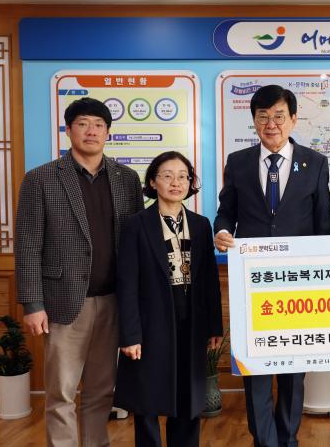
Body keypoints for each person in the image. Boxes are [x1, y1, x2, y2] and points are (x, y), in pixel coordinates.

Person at [14, 97, 143, 446]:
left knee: (102, 391)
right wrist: (32, 304)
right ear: (68, 130)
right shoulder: (41, 179)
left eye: (99, 125)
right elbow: (27, 244)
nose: (91, 131)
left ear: (108, 133)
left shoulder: (127, 179)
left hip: (113, 301)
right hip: (63, 302)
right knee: (61, 393)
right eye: (83, 124)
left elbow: (136, 242)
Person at [214, 84, 330, 447]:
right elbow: (226, 212)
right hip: (254, 283)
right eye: (263, 116)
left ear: (293, 119)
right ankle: (264, 441)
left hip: (299, 283)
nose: (271, 124)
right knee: (257, 365)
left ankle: (288, 438)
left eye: (279, 116)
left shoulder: (315, 163)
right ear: (254, 120)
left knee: (294, 369)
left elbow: (323, 224)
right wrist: (222, 230)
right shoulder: (238, 162)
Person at [113, 152, 223, 447]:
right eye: (168, 176)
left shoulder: (201, 225)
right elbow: (127, 284)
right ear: (152, 181)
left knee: (188, 397)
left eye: (183, 176)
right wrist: (130, 335)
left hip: (191, 322)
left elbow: (209, 281)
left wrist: (215, 326)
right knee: (147, 399)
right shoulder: (136, 225)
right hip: (150, 325)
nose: (176, 183)